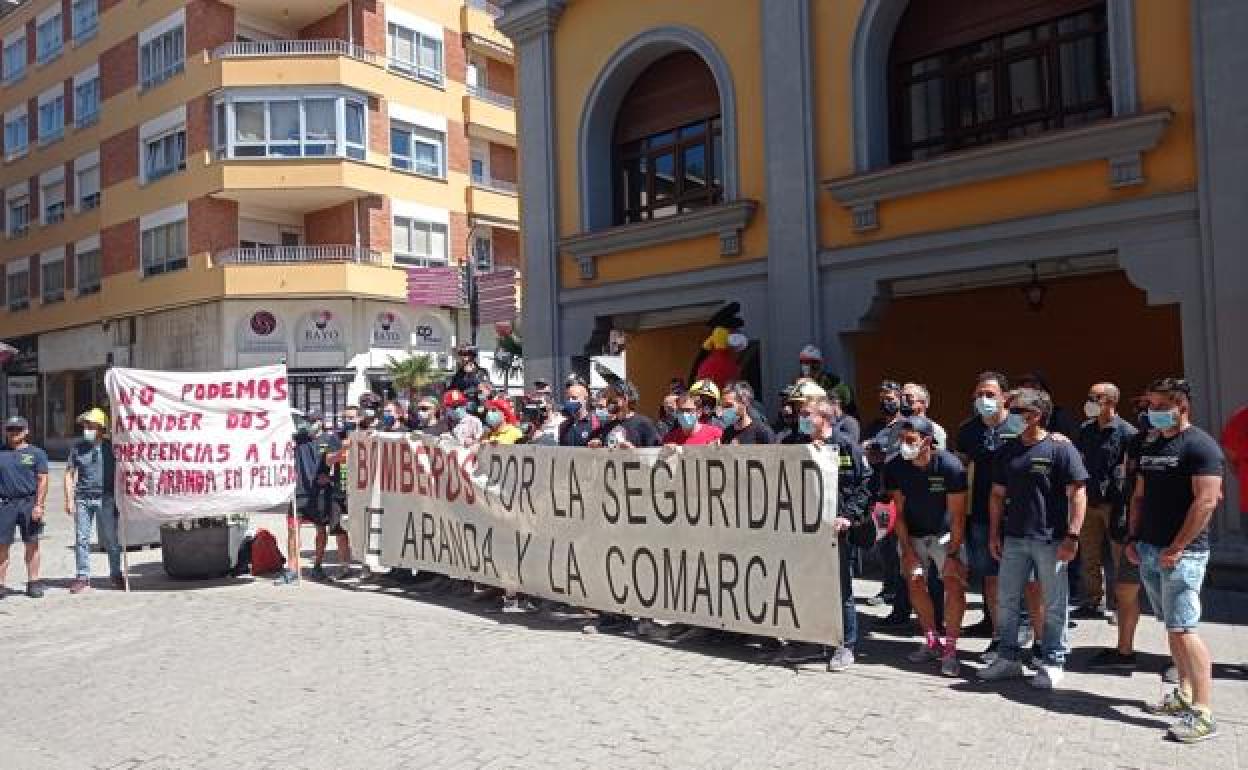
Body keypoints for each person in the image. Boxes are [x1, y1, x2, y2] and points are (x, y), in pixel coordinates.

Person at [1127, 377, 1224, 743]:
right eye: (1149, 406)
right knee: (1171, 626)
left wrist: (1178, 547)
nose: (1152, 413)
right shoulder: (1152, 443)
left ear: (1180, 406)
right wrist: (1134, 538)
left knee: (1185, 628)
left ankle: (1203, 712)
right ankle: (1183, 693)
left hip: (1182, 553)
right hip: (1150, 548)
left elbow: (1208, 501)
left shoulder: (1201, 446)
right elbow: (1139, 495)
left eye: (1159, 406)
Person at [979, 388, 1088, 690]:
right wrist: (993, 533)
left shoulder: (1061, 449)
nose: (1010, 416)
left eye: (1016, 411)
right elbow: (997, 494)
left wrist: (1073, 535)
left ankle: (1053, 661)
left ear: (1036, 415)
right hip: (1014, 538)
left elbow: (1078, 493)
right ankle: (1008, 658)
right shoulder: (1008, 450)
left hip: (1050, 539)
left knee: (1054, 603)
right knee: (1008, 600)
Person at [779, 395, 871, 671]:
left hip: (835, 531)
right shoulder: (796, 444)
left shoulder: (845, 447)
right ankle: (813, 640)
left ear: (825, 418)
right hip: (803, 530)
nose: (802, 419)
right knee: (807, 584)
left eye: (808, 414)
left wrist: (848, 516)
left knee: (839, 588)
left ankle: (845, 645)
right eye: (801, 414)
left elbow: (865, 485)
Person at [884, 416, 969, 677]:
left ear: (927, 442)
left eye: (910, 441)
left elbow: (957, 515)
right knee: (915, 581)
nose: (904, 446)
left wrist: (954, 553)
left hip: (945, 535)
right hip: (912, 534)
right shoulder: (895, 467)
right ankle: (931, 640)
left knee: (954, 584)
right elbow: (896, 511)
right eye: (901, 440)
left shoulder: (950, 466)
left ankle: (951, 648)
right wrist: (907, 551)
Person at [954, 371, 1023, 650]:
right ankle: (999, 637)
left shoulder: (1020, 425)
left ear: (1005, 398)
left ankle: (1029, 634)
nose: (983, 400)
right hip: (981, 514)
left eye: (990, 395)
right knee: (991, 578)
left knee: (1028, 582)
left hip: (1021, 515)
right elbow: (961, 467)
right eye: (979, 395)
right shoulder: (968, 431)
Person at [1073, 382, 1137, 619]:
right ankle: (1092, 601)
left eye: (1095, 397)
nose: (1089, 401)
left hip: (1116, 502)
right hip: (1089, 501)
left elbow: (1132, 470)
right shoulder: (1085, 429)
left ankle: (1122, 606)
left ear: (1110, 402)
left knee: (1119, 556)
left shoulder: (1127, 432)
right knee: (1089, 554)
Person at [285, 410, 347, 582]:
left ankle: (317, 566)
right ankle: (292, 568)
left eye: (312, 421)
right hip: (298, 492)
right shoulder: (299, 438)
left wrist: (332, 479)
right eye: (307, 420)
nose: (309, 424)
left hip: (320, 494)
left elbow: (341, 463)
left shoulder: (330, 439)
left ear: (320, 422)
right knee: (292, 529)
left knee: (321, 530)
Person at [65, 408, 121, 593]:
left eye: (90, 425)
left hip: (106, 498)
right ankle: (82, 576)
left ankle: (116, 574)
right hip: (83, 498)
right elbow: (69, 473)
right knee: (81, 539)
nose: (86, 428)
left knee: (111, 540)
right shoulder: (78, 447)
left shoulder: (112, 447)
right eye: (85, 425)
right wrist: (69, 499)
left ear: (100, 428)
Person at [0, 416, 49, 599]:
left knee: (32, 543)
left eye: (18, 429)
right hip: (5, 503)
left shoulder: (36, 453)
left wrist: (39, 505)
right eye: (10, 429)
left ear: (26, 431)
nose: (14, 433)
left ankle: (33, 582)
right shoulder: (1, 453)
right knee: (2, 545)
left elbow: (42, 479)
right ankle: (1, 584)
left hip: (29, 503)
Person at [590, 381, 661, 448]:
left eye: (611, 398)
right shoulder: (607, 426)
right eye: (607, 397)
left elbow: (655, 453)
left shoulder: (644, 423)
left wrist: (633, 450)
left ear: (625, 399)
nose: (607, 401)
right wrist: (598, 446)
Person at [796, 344, 855, 415]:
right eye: (803, 362)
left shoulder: (833, 381)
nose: (806, 366)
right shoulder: (798, 383)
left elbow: (848, 399)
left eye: (810, 362)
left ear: (818, 364)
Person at [900, 383, 947, 449]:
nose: (904, 403)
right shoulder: (896, 427)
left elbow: (937, 455)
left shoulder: (936, 430)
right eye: (901, 399)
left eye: (908, 399)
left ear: (923, 402)